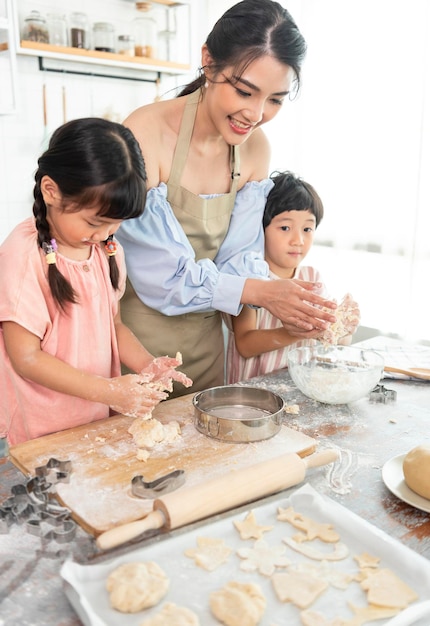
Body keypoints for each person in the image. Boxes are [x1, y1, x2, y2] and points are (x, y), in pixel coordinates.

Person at [116, 0, 337, 399]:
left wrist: (284, 306)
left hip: (206, 349)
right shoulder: (146, 132)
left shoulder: (254, 151)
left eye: (275, 100)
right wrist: (260, 291)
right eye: (244, 91)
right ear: (208, 61)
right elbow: (164, 277)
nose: (255, 114)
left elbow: (238, 260)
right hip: (135, 348)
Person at [0, 118, 190, 445]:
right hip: (42, 432)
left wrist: (147, 365)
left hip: (96, 420)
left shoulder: (105, 249)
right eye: (94, 222)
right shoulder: (23, 255)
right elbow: (26, 358)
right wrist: (108, 390)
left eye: (114, 225)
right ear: (51, 191)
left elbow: (113, 325)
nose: (103, 234)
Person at [225, 171, 361, 383]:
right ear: (259, 229)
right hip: (252, 396)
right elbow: (245, 345)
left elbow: (336, 341)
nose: (298, 240)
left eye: (307, 228)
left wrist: (342, 327)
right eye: (285, 227)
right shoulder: (248, 278)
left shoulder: (311, 277)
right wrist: (298, 332)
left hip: (299, 389)